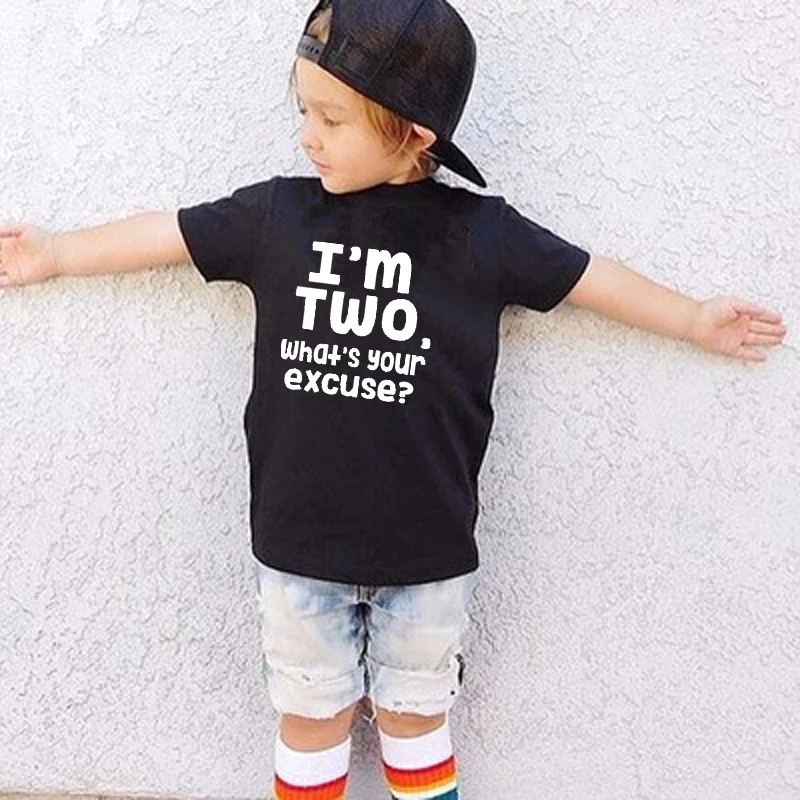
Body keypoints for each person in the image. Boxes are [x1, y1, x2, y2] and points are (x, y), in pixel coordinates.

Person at [0, 0, 787, 797]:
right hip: (299, 548)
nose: (308, 136)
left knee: (416, 722)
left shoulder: (482, 235)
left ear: (414, 134)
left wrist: (693, 319)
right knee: (311, 720)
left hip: (426, 555)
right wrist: (57, 254)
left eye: (332, 119)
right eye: (304, 111)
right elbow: (167, 233)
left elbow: (590, 279)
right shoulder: (277, 216)